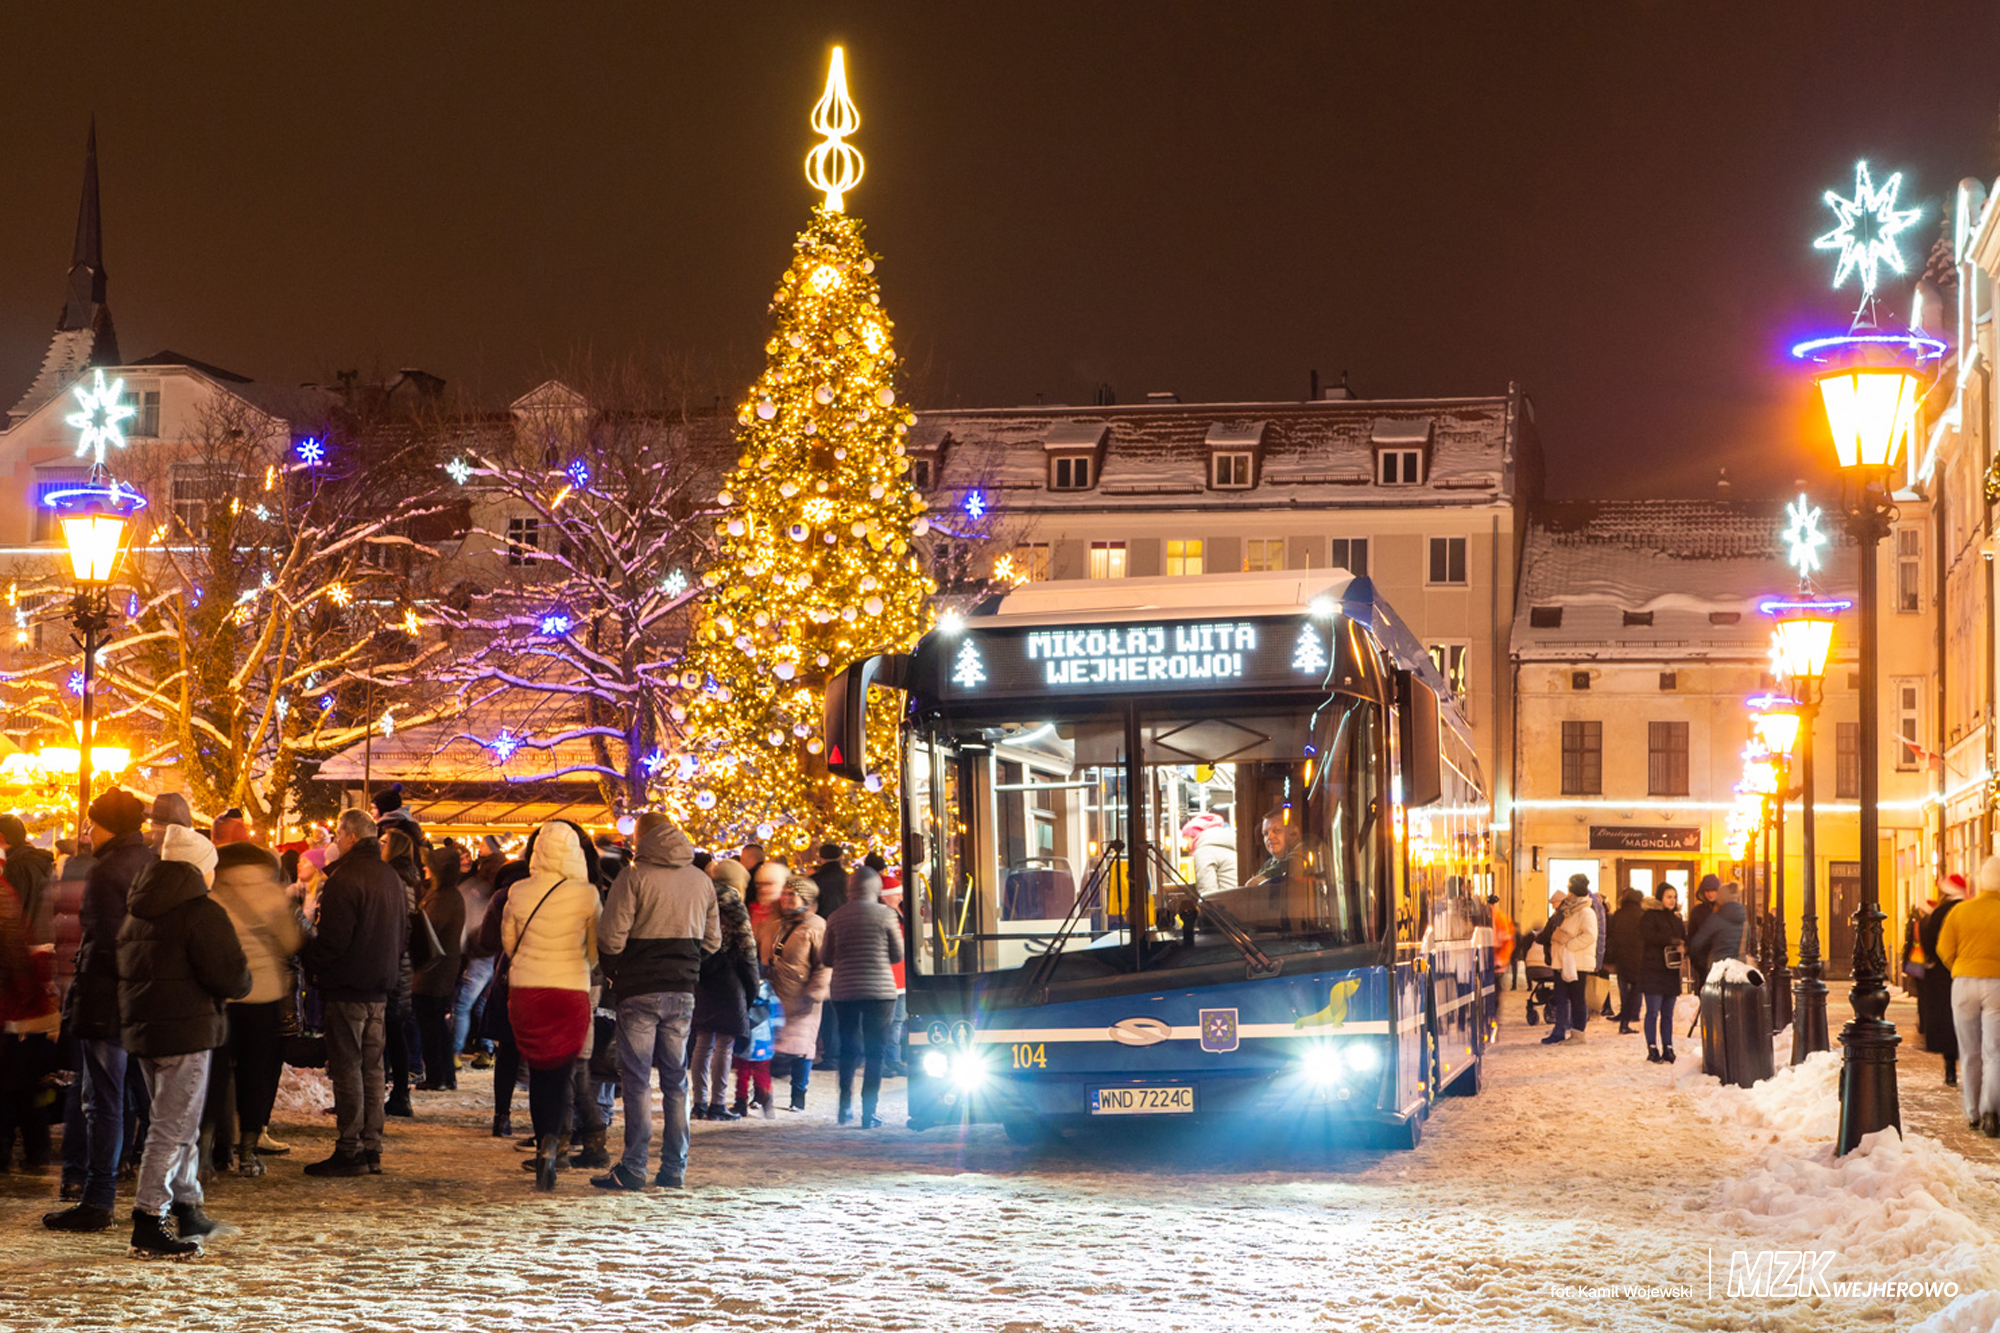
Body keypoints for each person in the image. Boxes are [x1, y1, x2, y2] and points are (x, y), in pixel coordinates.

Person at [117, 824, 250, 1259]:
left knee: (177, 1123)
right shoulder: (200, 910)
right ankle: (148, 1218)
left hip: (146, 1027)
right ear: (199, 870)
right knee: (172, 1128)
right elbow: (229, 974)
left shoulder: (139, 907)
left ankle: (187, 1203)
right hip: (186, 1030)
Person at [44, 789, 155, 1233]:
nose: (87, 832)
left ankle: (98, 1197)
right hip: (140, 1000)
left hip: (109, 1000)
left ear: (106, 825)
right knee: (137, 1098)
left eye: (92, 823)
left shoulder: (109, 870)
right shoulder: (147, 862)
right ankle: (155, 1195)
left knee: (101, 1100)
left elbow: (105, 941)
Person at [591, 813, 718, 1192]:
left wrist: (618, 969)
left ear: (643, 839)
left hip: (639, 989)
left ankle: (633, 1168)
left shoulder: (634, 877)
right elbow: (712, 942)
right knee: (677, 1081)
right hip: (682, 992)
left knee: (637, 1081)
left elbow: (611, 937)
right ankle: (675, 1168)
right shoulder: (701, 879)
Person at [301, 810, 406, 1178]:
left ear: (347, 836)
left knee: (348, 1069)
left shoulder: (346, 878)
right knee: (373, 1069)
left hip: (348, 987)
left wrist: (309, 957)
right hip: (379, 988)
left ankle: (350, 1148)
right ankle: (371, 1146)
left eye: (336, 836)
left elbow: (332, 941)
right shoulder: (389, 876)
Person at [502, 821, 600, 1190]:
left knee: (538, 1071)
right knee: (561, 1073)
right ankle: (553, 1143)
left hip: (527, 989)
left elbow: (509, 943)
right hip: (569, 990)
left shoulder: (519, 890)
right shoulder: (587, 894)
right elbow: (593, 952)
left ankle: (543, 1139)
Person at [208, 815, 307, 1178]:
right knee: (255, 1075)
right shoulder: (271, 893)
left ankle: (215, 1150)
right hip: (263, 996)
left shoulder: (213, 892)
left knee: (216, 1074)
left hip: (222, 996)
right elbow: (291, 941)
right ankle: (248, 1153)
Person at [820, 865, 903, 1128]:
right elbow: (898, 955)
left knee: (848, 1050)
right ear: (876, 888)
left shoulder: (835, 917)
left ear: (850, 888)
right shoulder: (886, 915)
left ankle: (844, 1108)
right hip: (880, 992)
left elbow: (825, 957)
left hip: (845, 991)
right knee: (875, 1052)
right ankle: (869, 1114)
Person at [691, 858, 758, 1122]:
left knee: (702, 1042)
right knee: (724, 1043)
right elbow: (746, 944)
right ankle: (718, 1103)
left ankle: (699, 1103)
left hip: (702, 973)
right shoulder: (731, 900)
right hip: (728, 975)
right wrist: (752, 984)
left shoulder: (697, 894)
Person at [1938, 855, 2000, 1137]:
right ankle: (1991, 1110)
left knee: (1970, 1051)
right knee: (1994, 1051)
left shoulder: (1961, 911)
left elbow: (1943, 949)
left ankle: (1972, 1112)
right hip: (1997, 984)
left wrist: (1960, 968)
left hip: (1963, 983)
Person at [760, 875, 829, 1112]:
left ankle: (798, 1096)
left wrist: (816, 991)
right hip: (777, 994)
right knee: (770, 1045)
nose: (787, 898)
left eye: (793, 894)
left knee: (802, 1047)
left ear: (806, 899)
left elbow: (824, 963)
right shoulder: (778, 924)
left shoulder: (816, 925)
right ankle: (762, 1094)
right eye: (785, 893)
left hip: (804, 996)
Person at [734, 861, 788, 1115]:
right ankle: (751, 1097)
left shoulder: (782, 915)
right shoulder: (752, 909)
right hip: (755, 978)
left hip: (768, 978)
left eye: (769, 884)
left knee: (750, 1065)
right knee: (749, 1065)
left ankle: (752, 1097)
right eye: (760, 885)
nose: (764, 889)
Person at [414, 847, 466, 1092]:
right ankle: (443, 1074)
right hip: (438, 965)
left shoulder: (446, 897)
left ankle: (437, 1075)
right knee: (434, 1021)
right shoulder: (441, 893)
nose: (425, 868)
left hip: (436, 967)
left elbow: (429, 929)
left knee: (431, 1021)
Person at [452, 842, 505, 1070]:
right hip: (499, 957)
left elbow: (464, 926)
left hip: (480, 956)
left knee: (463, 1005)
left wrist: (460, 951)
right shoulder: (505, 893)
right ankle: (486, 1049)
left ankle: (453, 1052)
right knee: (484, 1003)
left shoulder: (472, 890)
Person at [1921, 874, 1968, 1086]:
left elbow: (1930, 944)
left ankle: (1950, 1068)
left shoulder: (1939, 913)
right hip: (1967, 972)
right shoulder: (1968, 910)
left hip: (1942, 975)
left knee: (1947, 1019)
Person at [1542, 875, 1598, 1044]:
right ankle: (1559, 1031)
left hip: (1577, 963)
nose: (1568, 893)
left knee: (1577, 998)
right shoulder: (1568, 910)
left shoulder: (1586, 911)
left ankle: (1578, 1033)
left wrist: (1569, 945)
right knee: (1561, 998)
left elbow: (1590, 935)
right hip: (1562, 961)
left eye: (1570, 889)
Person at [1637, 884, 1686, 1064]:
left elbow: (1683, 938)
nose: (1672, 900)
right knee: (1653, 1011)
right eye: (1668, 897)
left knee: (1668, 1013)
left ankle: (1668, 1047)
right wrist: (1672, 941)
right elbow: (1648, 937)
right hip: (1653, 970)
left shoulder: (1677, 919)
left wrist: (1683, 946)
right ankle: (1652, 1047)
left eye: (1674, 896)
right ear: (1660, 898)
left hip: (1670, 971)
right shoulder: (1649, 917)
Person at [1687, 881, 1748, 986]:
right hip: (1738, 968)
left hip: (1718, 967)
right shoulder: (1744, 918)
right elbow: (1747, 942)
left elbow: (1697, 942)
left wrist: (1694, 957)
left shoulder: (1717, 918)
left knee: (1715, 999)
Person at [1606, 888, 1646, 1035]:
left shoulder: (1618, 914)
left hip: (1621, 957)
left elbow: (1611, 936)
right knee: (1635, 989)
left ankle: (1625, 1017)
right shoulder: (1642, 915)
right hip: (1638, 957)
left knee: (1625, 989)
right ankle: (1627, 1019)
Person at [1686, 875, 1723, 984]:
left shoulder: (1725, 909)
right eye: (1707, 890)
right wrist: (1697, 961)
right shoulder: (1697, 912)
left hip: (1723, 962)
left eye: (1713, 890)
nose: (1710, 894)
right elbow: (1692, 937)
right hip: (1703, 964)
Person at [371, 784, 424, 850]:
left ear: (384, 808)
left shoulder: (388, 829)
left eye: (374, 808)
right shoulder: (410, 826)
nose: (371, 811)